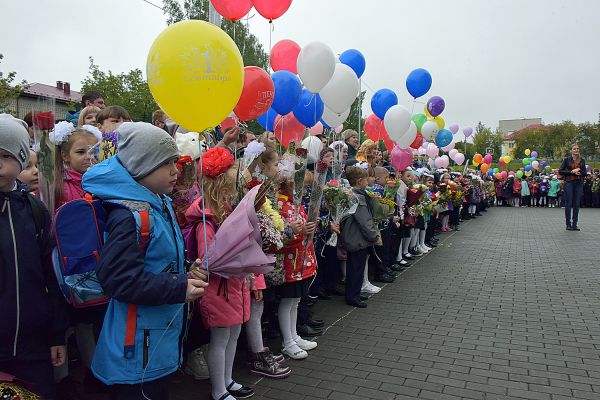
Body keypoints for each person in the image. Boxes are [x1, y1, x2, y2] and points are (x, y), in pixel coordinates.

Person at [82, 122, 207, 399]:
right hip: (134, 353)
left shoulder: (158, 203)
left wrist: (187, 273)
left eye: (175, 162)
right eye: (166, 164)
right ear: (141, 167)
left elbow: (156, 264)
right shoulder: (131, 216)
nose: (176, 170)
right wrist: (178, 287)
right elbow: (119, 280)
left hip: (153, 344)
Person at [0, 113, 68, 399]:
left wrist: (57, 335)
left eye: (4, 156)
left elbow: (52, 276)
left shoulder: (34, 210)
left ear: (19, 158)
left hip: (33, 347)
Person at [340, 166, 379, 308]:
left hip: (355, 238)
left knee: (356, 267)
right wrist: (374, 236)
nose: (368, 180)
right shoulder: (357, 197)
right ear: (360, 181)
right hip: (357, 238)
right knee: (356, 269)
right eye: (366, 178)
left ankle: (354, 292)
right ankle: (352, 296)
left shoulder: (355, 194)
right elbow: (364, 220)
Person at [50, 122, 102, 208]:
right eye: (81, 152)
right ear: (65, 155)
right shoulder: (58, 184)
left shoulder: (101, 179)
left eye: (93, 152)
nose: (89, 157)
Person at [559, 143, 586, 230]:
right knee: (569, 203)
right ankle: (568, 224)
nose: (576, 150)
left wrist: (580, 172)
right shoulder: (567, 160)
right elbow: (561, 171)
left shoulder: (582, 160)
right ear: (571, 150)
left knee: (577, 203)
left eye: (577, 148)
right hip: (569, 183)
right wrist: (572, 171)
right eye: (574, 149)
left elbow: (585, 173)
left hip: (578, 183)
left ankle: (575, 224)